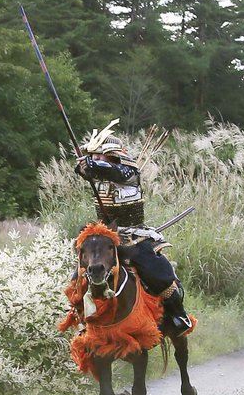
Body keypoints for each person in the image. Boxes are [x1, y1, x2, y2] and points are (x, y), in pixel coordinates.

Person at [72, 131, 194, 337]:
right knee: (79, 272)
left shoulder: (129, 173)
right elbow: (84, 170)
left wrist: (91, 164)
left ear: (113, 156)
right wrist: (83, 166)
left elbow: (114, 172)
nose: (95, 158)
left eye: (100, 155)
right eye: (93, 155)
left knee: (159, 272)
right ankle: (79, 316)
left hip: (133, 236)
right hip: (105, 234)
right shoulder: (97, 172)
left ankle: (178, 315)